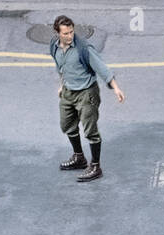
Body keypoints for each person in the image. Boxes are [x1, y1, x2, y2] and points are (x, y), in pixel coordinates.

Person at [50, 15, 124, 182]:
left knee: (90, 131)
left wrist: (116, 88)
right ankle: (79, 158)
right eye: (66, 33)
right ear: (57, 33)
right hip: (69, 91)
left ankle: (96, 166)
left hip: (87, 93)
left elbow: (102, 69)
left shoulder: (84, 48)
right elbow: (61, 66)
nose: (69, 36)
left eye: (71, 32)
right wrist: (62, 85)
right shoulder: (54, 47)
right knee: (67, 125)